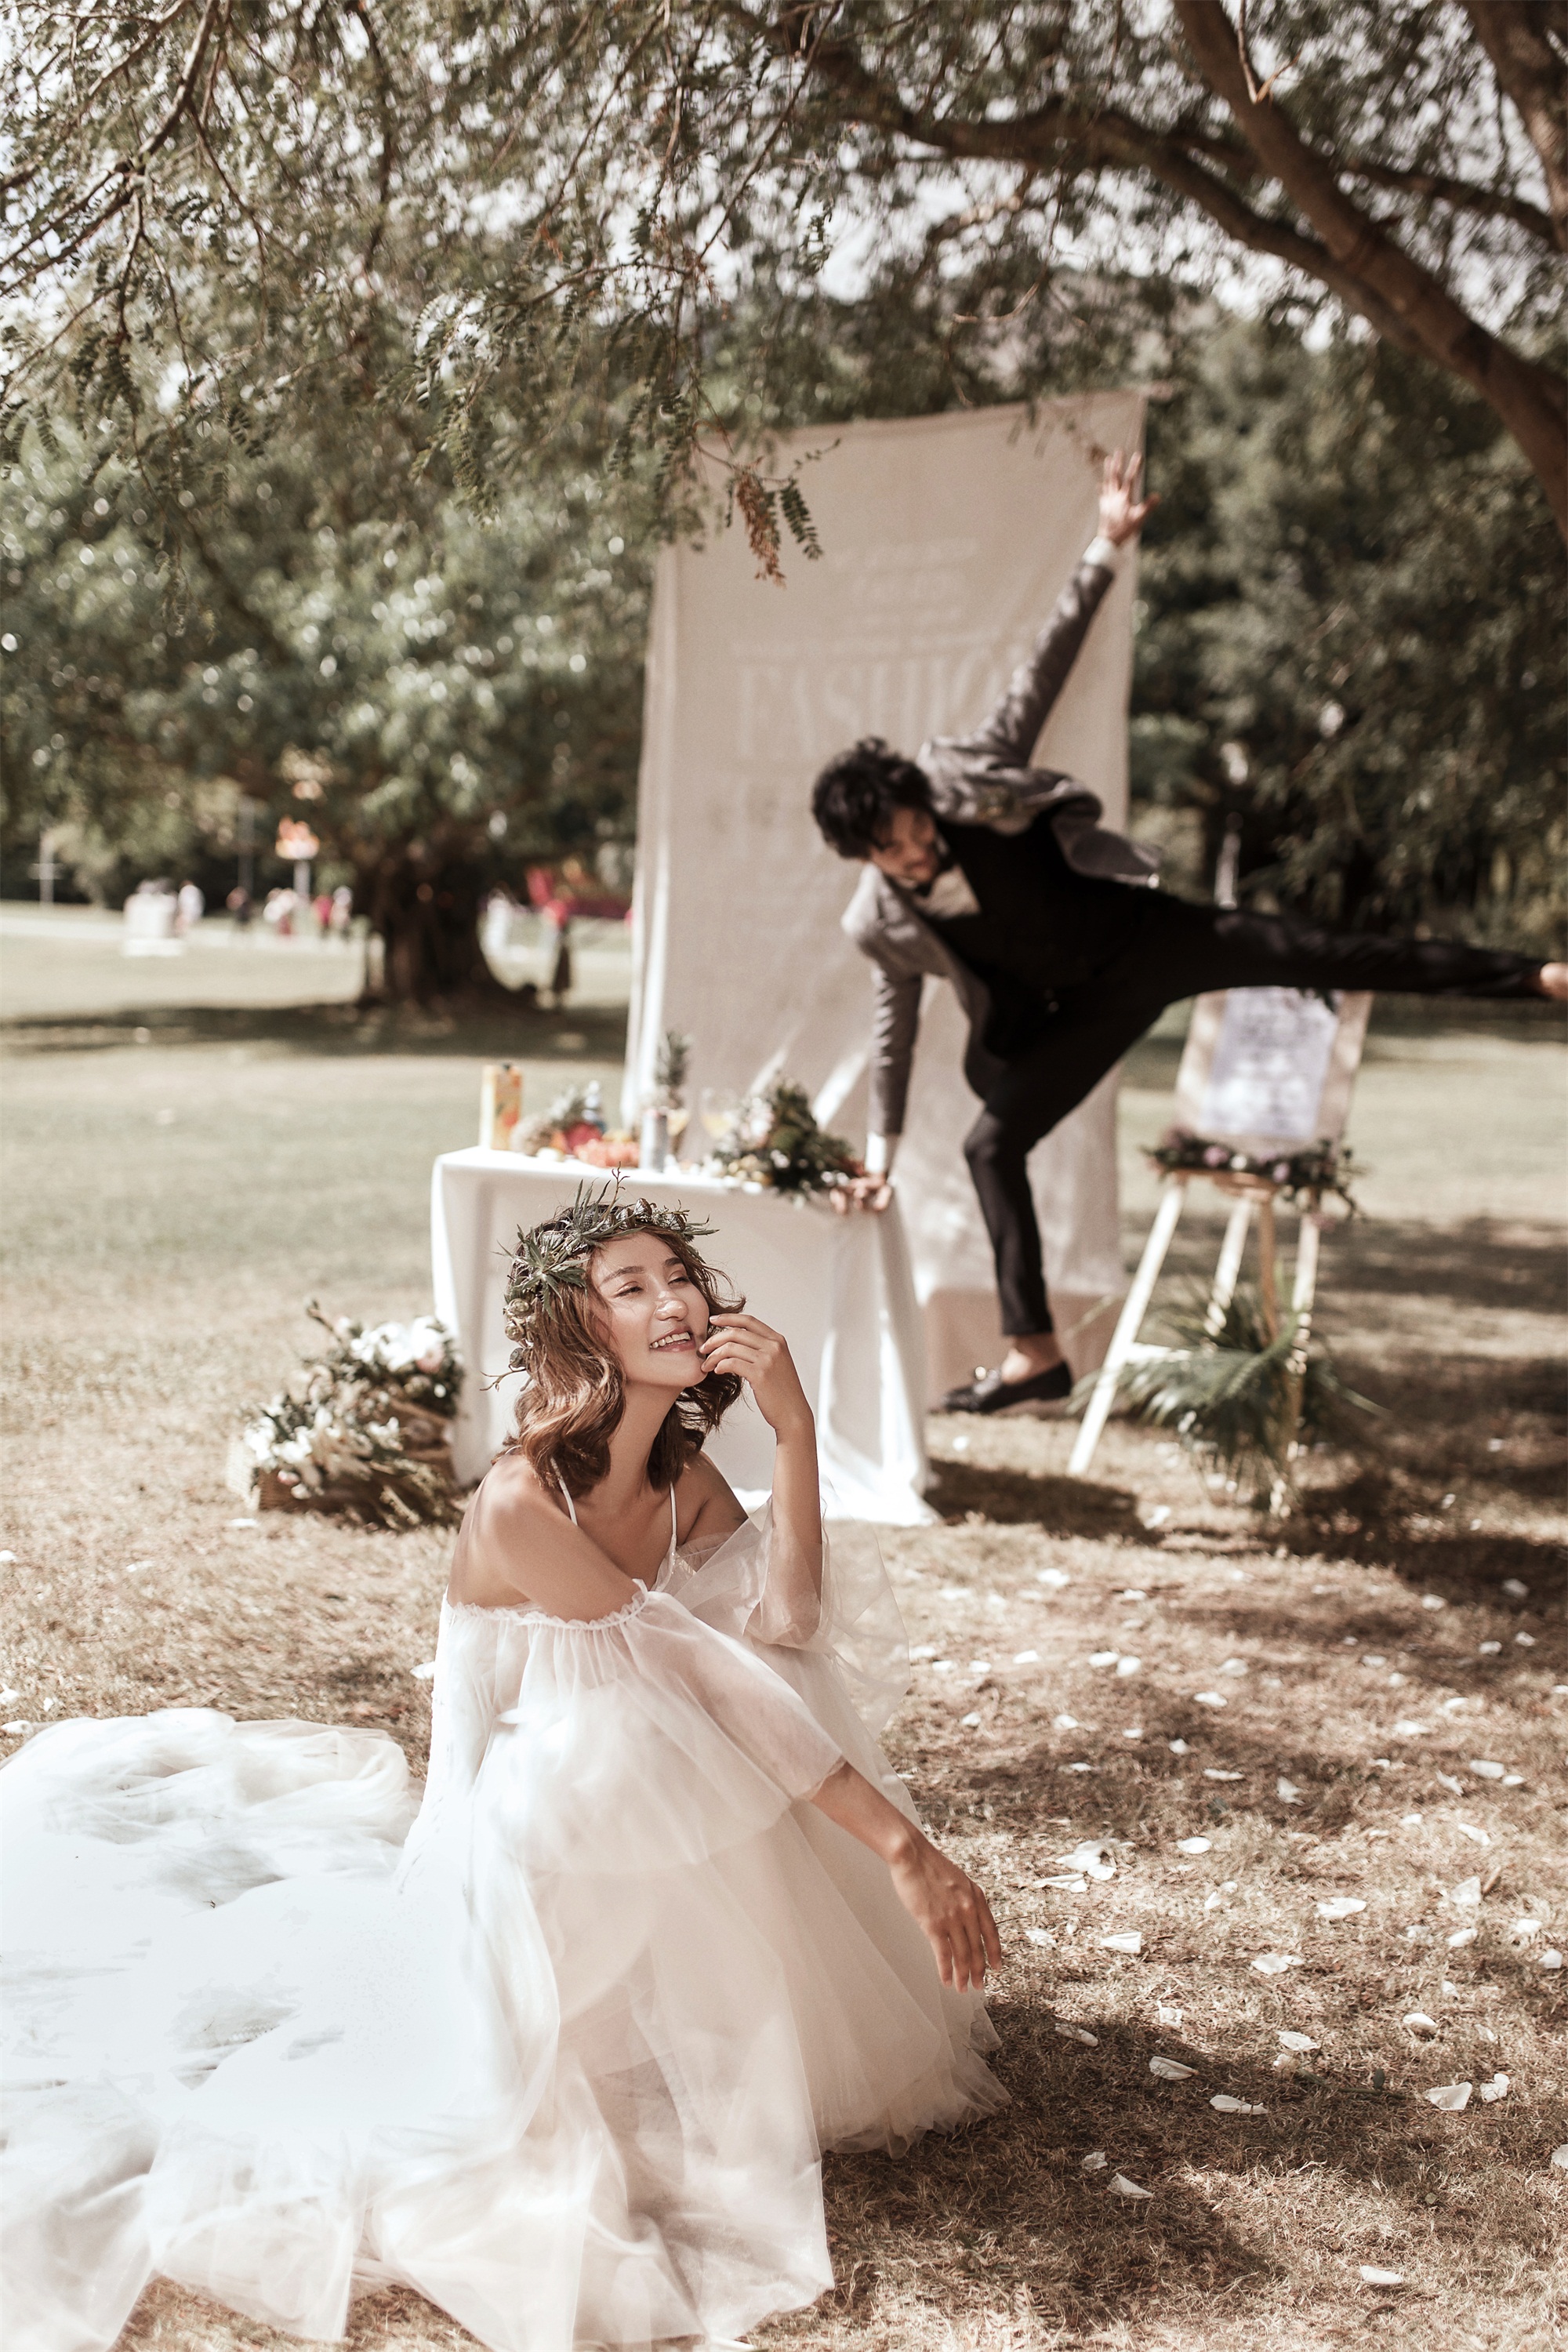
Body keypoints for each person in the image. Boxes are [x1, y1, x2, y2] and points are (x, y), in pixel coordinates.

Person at [0, 1190, 1003, 2352]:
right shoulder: (521, 1502)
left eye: (681, 1275)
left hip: (622, 1801)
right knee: (647, 1713)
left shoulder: (682, 1476)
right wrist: (901, 1846)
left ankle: (697, 2019)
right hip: (527, 1836)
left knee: (743, 1684)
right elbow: (695, 1679)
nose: (676, 1301)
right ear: (580, 1330)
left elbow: (788, 1628)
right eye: (632, 1287)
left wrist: (794, 1431)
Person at [812, 452, 1568, 1415]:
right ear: (864, 856)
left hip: (1144, 941)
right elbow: (896, 1031)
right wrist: (878, 1158)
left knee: (1315, 952)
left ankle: (1534, 978)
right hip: (1068, 1016)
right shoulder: (878, 919)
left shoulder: (964, 779)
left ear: (923, 802)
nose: (918, 852)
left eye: (919, 830)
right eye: (895, 851)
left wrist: (1104, 547)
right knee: (988, 1147)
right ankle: (1033, 1353)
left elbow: (1037, 676)